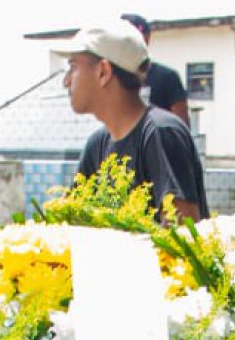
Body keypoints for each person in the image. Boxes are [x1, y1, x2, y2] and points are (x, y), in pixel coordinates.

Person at [60, 19, 207, 222]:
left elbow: (182, 233)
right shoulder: (97, 144)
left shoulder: (160, 133)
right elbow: (71, 220)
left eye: (73, 68)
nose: (66, 81)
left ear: (103, 72)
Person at [119, 14, 190, 124]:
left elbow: (182, 126)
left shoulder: (167, 77)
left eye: (133, 36)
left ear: (147, 38)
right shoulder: (109, 77)